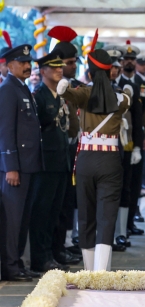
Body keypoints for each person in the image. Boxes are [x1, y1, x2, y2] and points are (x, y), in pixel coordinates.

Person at [57, 34, 132, 271]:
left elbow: (70, 93)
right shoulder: (121, 99)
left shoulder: (84, 93)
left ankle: (89, 271)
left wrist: (64, 88)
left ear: (89, 73)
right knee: (107, 216)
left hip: (86, 160)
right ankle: (102, 271)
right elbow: (127, 98)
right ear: (111, 72)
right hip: (110, 160)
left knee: (86, 214)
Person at [26, 49, 76, 272]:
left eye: (60, 67)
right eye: (54, 67)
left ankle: (51, 253)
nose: (59, 70)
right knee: (42, 212)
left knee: (55, 212)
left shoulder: (59, 95)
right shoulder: (39, 95)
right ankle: (40, 258)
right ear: (42, 70)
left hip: (61, 161)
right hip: (46, 163)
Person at [0, 44, 42, 281]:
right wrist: (11, 166)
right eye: (22, 62)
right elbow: (5, 131)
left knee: (22, 218)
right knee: (12, 220)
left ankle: (17, 263)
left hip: (28, 166)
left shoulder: (22, 88)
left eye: (29, 62)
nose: (28, 66)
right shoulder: (8, 89)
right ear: (9, 65)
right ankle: (10, 266)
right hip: (15, 168)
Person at [48, 25, 84, 263]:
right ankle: (57, 246)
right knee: (57, 204)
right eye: (70, 62)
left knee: (68, 200)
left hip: (74, 147)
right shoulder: (52, 90)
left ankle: (66, 241)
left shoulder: (76, 86)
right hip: (58, 151)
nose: (73, 66)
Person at [104, 45, 144, 250]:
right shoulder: (100, 87)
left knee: (125, 189)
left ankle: (121, 233)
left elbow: (137, 119)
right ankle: (106, 234)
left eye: (116, 66)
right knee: (106, 191)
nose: (114, 69)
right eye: (111, 66)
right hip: (104, 148)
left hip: (125, 146)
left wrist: (137, 146)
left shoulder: (131, 87)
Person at [116, 41, 145, 235]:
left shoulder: (141, 83)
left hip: (136, 138)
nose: (129, 62)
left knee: (135, 183)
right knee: (122, 186)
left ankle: (129, 223)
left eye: (132, 59)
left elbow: (143, 114)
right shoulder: (117, 83)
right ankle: (121, 228)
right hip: (121, 140)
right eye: (126, 59)